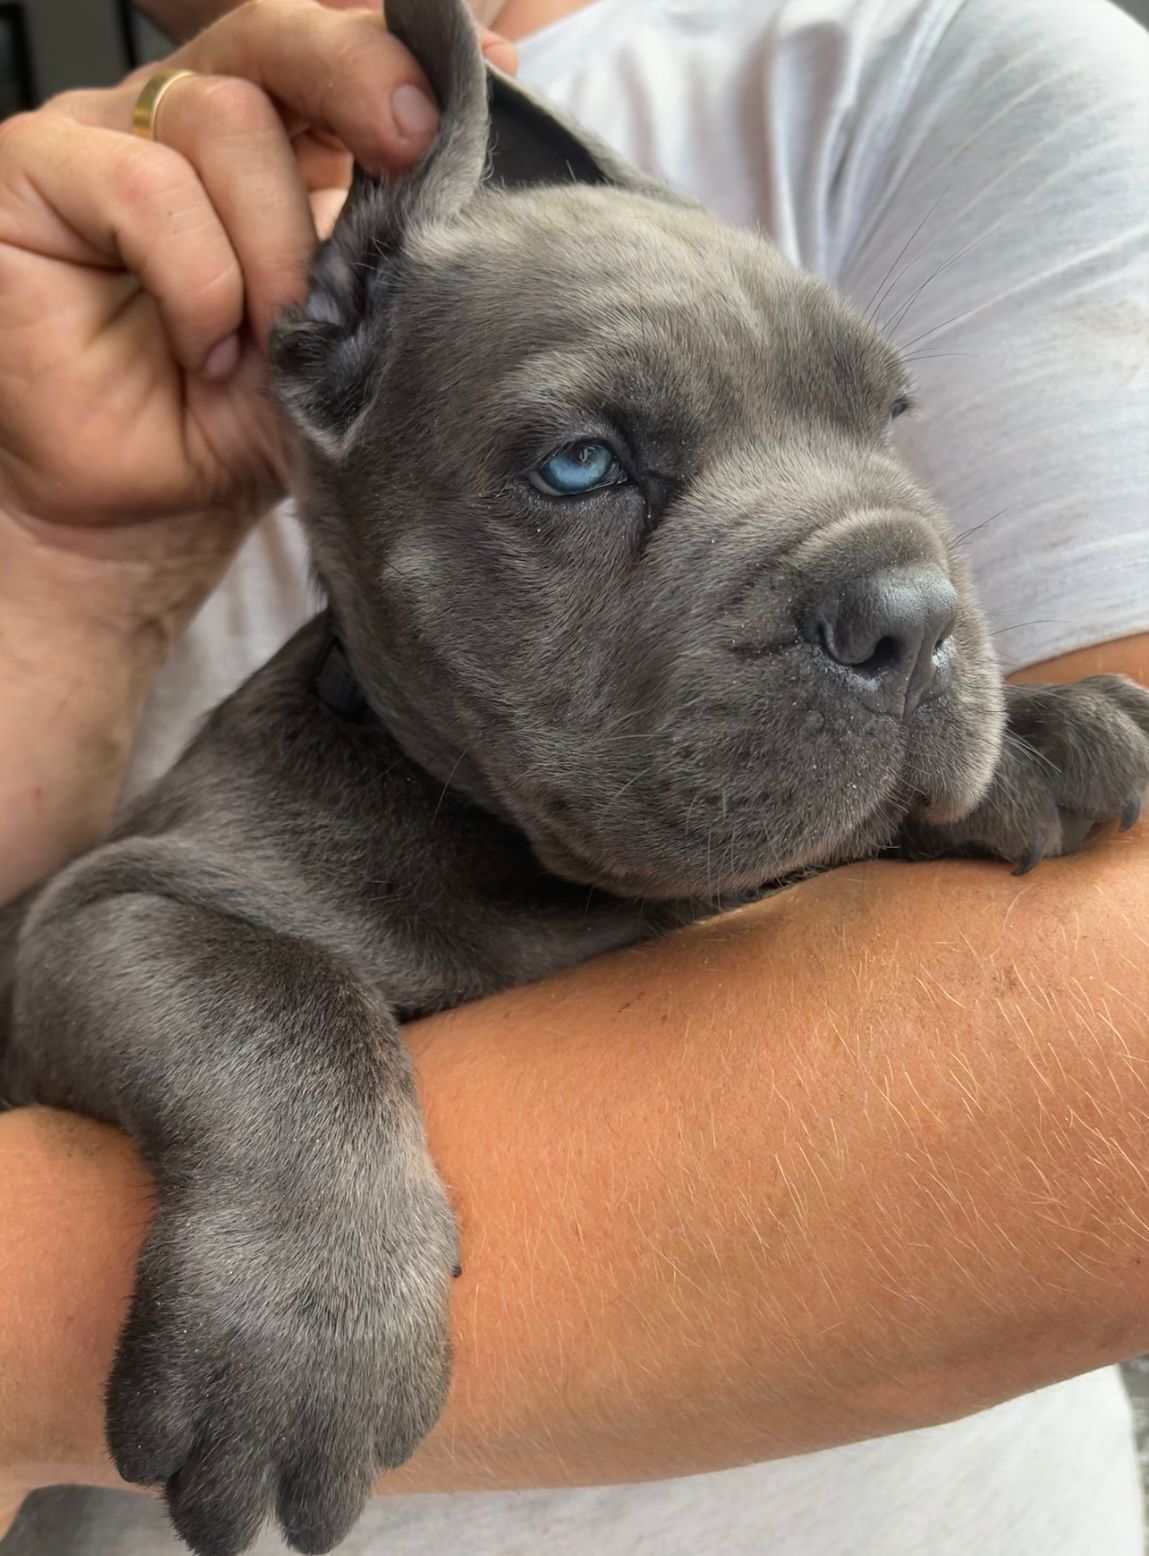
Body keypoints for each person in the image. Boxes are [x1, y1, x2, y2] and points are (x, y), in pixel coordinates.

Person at [1, 0, 1147, 1552]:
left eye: (865, 424)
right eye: (583, 466)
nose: (895, 588)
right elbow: (98, 931)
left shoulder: (938, 53)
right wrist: (64, 561)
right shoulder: (89, 272)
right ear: (321, 394)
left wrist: (929, 791)